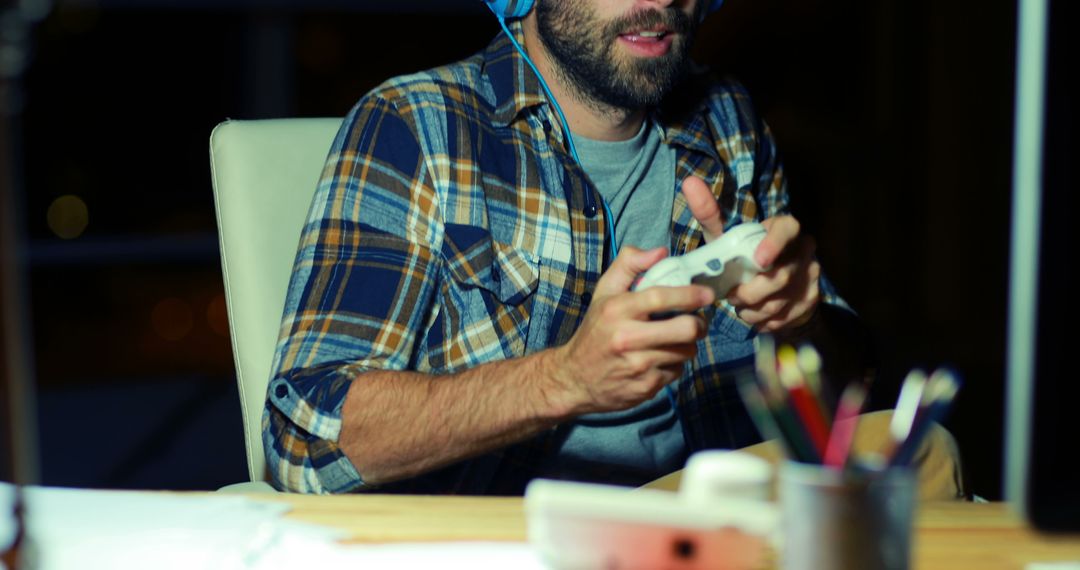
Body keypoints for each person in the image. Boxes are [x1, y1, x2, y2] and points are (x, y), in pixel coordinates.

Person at [263, 0, 963, 497]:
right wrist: (565, 380)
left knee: (926, 454)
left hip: (709, 512)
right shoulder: (418, 126)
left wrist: (799, 319)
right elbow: (305, 439)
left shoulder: (725, 118)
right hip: (524, 531)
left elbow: (844, 399)